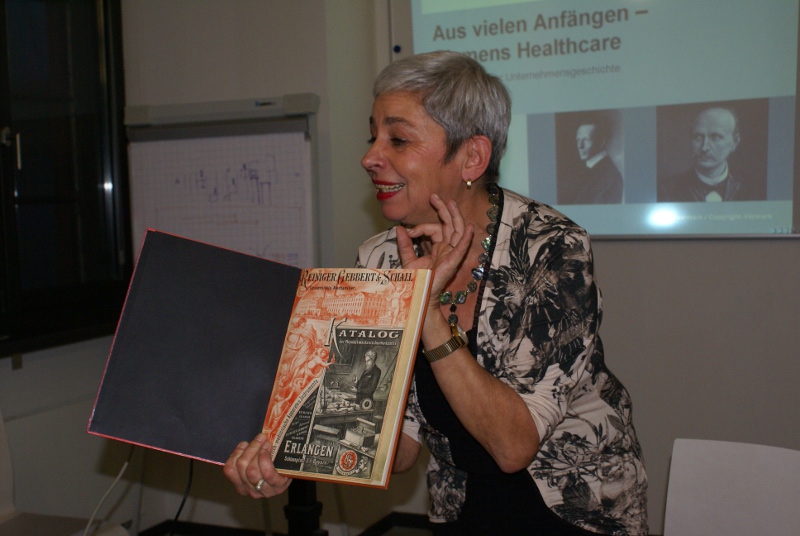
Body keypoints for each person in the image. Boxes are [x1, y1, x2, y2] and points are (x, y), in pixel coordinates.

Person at [224, 51, 648, 535]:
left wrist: (426, 312)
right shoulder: (379, 259)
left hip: (576, 508)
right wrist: (290, 457)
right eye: (372, 136)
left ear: (472, 157)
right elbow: (396, 446)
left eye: (398, 139)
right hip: (460, 504)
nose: (369, 157)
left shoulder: (550, 248)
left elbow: (514, 447)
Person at [658, 106, 753, 202]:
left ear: (735, 142)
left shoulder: (751, 188)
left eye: (715, 137)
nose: (704, 148)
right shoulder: (666, 190)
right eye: (698, 137)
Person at [562, 116, 623, 204]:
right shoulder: (582, 170)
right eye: (578, 140)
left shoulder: (610, 177)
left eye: (586, 140)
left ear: (601, 142)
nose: (580, 146)